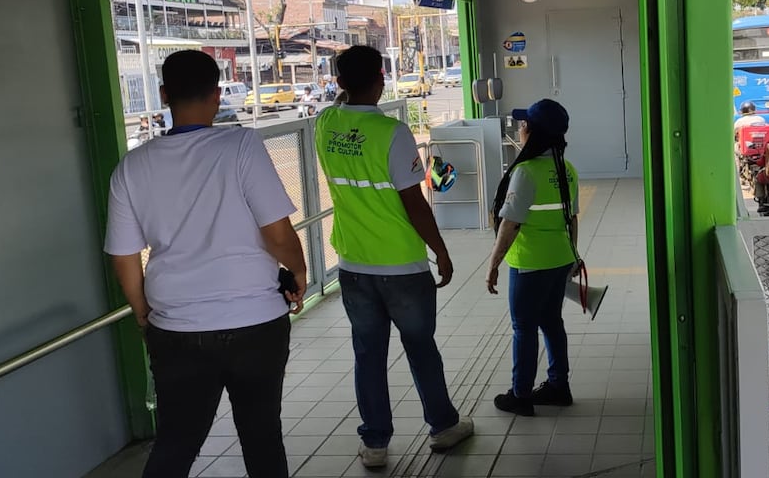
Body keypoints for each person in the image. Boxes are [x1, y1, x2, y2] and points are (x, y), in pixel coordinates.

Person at [104, 50, 307, 478]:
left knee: (176, 442)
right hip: (255, 322)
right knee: (262, 435)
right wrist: (300, 272)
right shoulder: (241, 146)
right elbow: (277, 234)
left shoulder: (131, 167)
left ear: (164, 95)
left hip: (176, 328)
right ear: (217, 95)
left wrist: (144, 316)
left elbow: (124, 258)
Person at [314, 46, 473, 468]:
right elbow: (414, 203)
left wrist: (346, 89)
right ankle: (443, 427)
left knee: (368, 355)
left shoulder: (325, 123)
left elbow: (339, 103)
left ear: (339, 82)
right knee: (420, 348)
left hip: (353, 263)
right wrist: (441, 250)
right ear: (382, 80)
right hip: (402, 265)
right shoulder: (393, 133)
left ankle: (375, 444)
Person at [485, 99, 579, 416]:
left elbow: (510, 224)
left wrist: (493, 264)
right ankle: (558, 386)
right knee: (552, 322)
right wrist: (574, 256)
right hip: (560, 259)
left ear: (534, 132)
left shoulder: (525, 172)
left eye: (525, 124)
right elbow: (572, 218)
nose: (521, 129)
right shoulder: (566, 169)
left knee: (523, 328)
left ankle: (521, 395)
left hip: (530, 263)